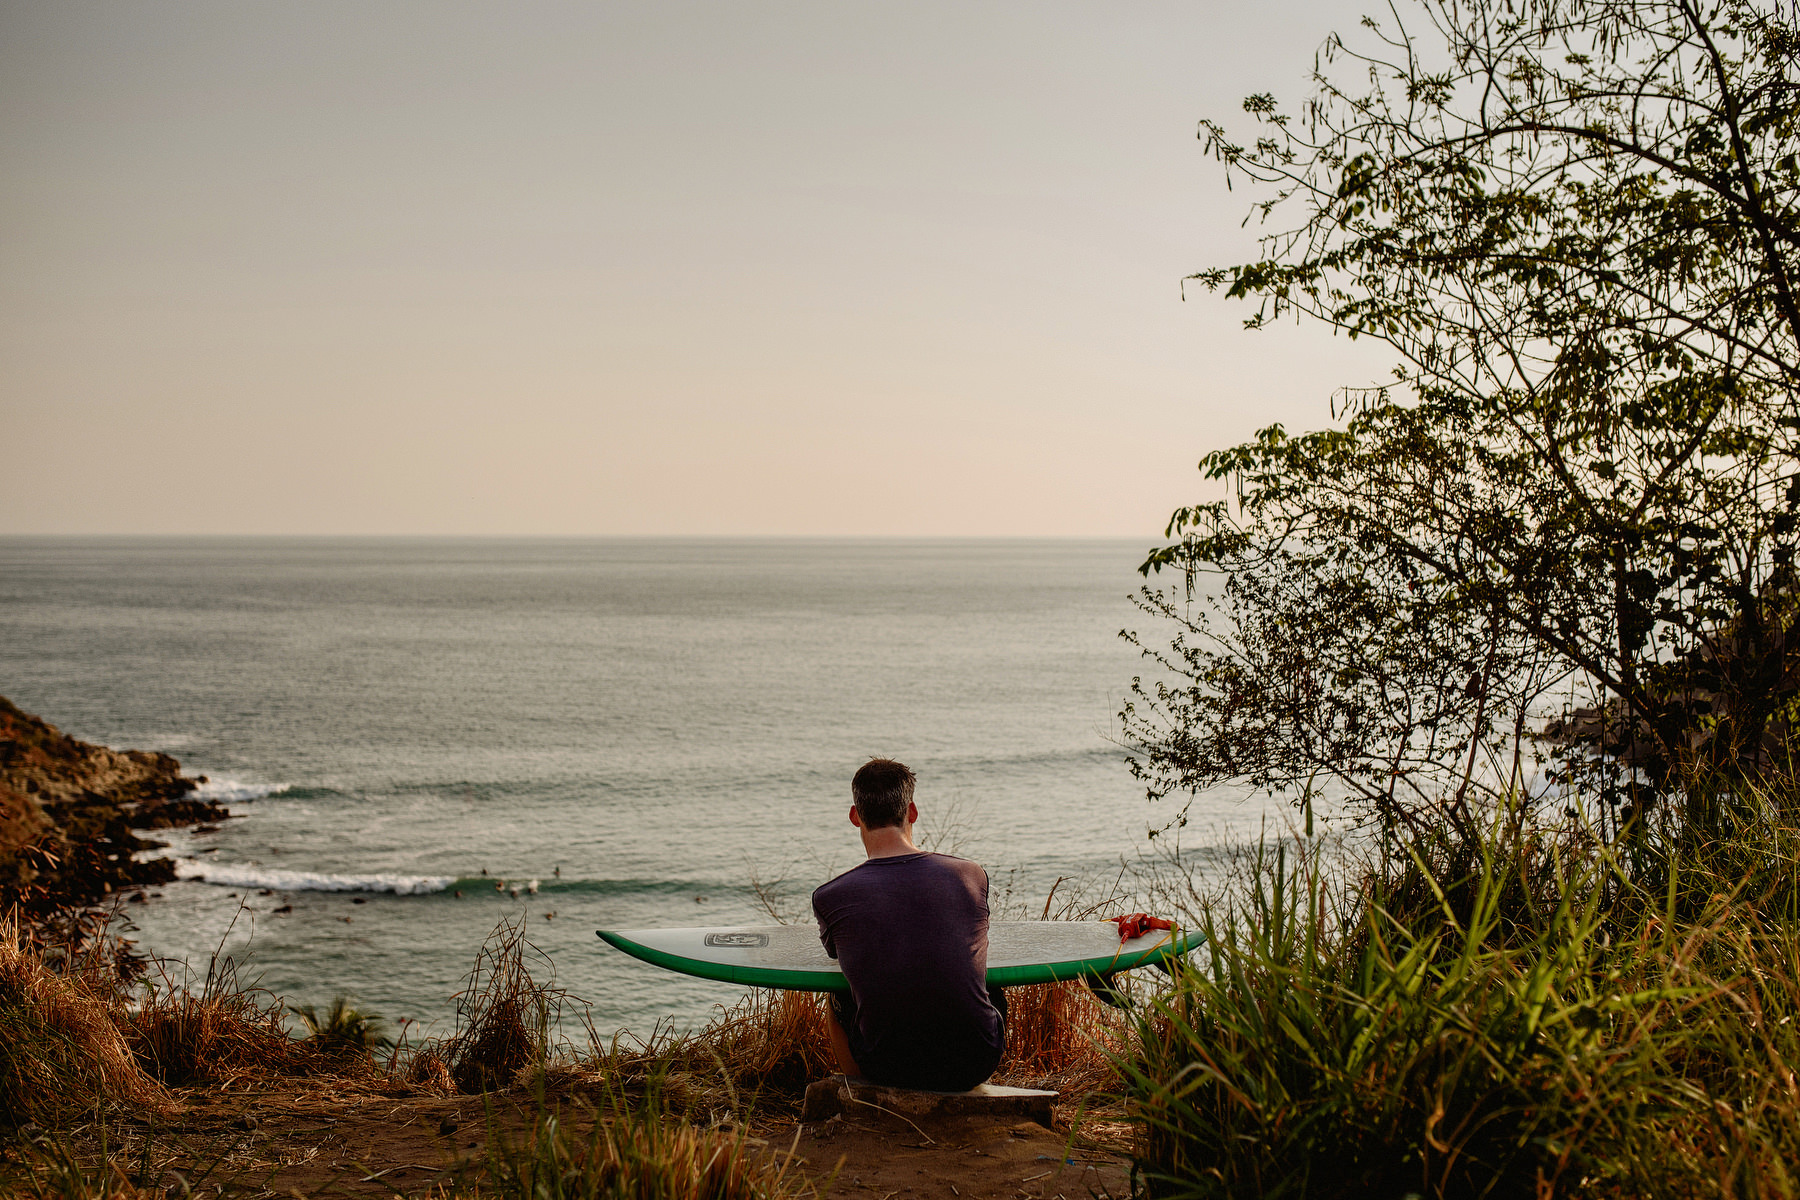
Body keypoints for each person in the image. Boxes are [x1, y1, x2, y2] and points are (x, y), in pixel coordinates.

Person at [810, 758, 1007, 1091]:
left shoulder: (831, 896)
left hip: (886, 1067)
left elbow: (837, 956)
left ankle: (860, 1089)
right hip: (975, 1061)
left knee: (839, 990)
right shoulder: (970, 875)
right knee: (987, 981)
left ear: (855, 816)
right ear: (912, 812)